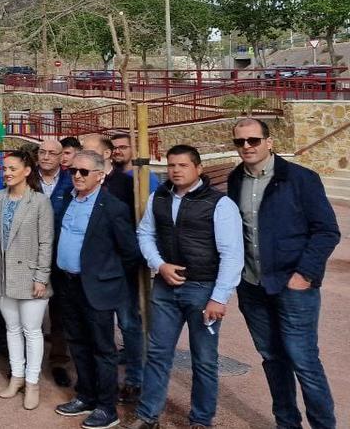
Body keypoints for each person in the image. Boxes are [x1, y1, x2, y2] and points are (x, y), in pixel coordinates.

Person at [226, 118, 340, 429]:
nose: (247, 147)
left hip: (294, 286)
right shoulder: (235, 179)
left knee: (303, 360)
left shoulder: (300, 178)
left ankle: (323, 424)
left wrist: (304, 274)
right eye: (240, 142)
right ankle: (286, 423)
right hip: (252, 286)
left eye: (253, 140)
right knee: (272, 359)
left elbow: (327, 231)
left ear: (269, 142)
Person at [123, 145, 244, 429]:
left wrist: (219, 297)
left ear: (198, 168)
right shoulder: (160, 197)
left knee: (203, 359)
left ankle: (201, 419)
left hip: (203, 289)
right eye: (171, 165)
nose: (176, 170)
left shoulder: (220, 204)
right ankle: (147, 415)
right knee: (157, 353)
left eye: (183, 165)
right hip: (166, 287)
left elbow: (232, 253)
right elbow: (145, 233)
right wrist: (159, 265)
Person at [53, 150, 140, 429]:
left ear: (100, 175)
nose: (76, 175)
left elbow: (129, 251)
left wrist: (106, 276)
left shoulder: (113, 207)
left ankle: (106, 407)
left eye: (84, 172)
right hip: (68, 284)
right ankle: (85, 396)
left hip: (97, 289)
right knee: (77, 343)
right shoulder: (68, 199)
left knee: (103, 349)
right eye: (73, 171)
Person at [79, 132, 142, 404]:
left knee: (128, 323)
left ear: (104, 155)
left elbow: (131, 233)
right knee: (98, 330)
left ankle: (135, 378)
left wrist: (122, 264)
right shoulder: (80, 186)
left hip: (118, 271)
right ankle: (98, 382)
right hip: (93, 273)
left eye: (88, 149)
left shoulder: (125, 185)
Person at [0, 151, 55, 410]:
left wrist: (41, 277)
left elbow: (46, 241)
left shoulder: (39, 201)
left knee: (32, 331)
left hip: (31, 278)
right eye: (4, 168)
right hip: (3, 276)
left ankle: (32, 382)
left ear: (27, 171)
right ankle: (16, 377)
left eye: (12, 168)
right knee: (12, 329)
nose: (6, 172)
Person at [36, 138, 74, 389]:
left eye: (52, 153)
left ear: (62, 157)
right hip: (31, 256)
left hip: (61, 257)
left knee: (61, 312)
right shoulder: (27, 180)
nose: (46, 156)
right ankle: (28, 364)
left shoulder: (72, 181)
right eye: (42, 152)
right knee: (31, 313)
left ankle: (59, 361)